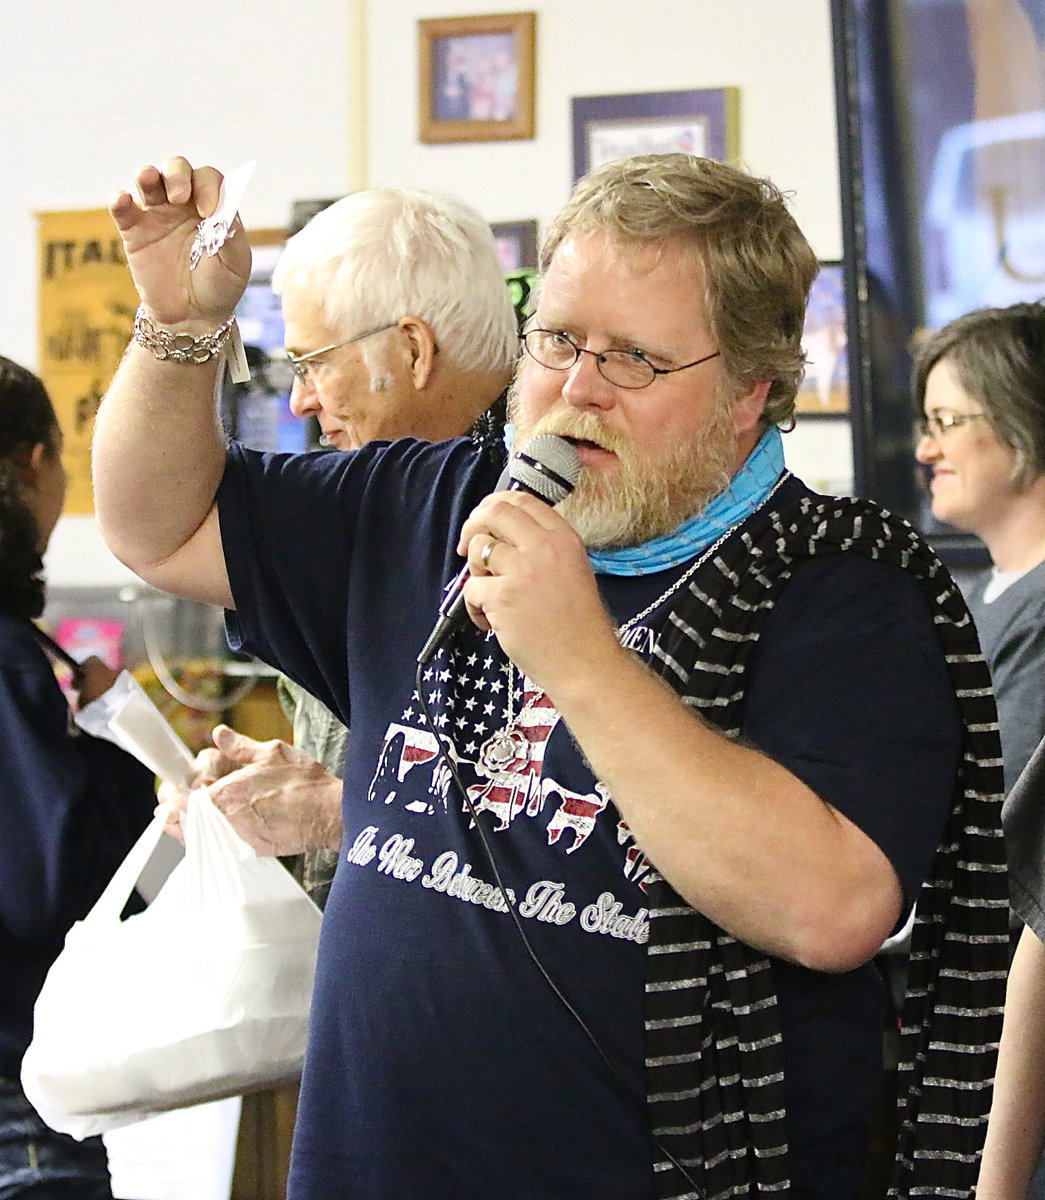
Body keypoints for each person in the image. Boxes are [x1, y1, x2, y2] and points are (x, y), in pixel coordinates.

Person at [93, 152, 1008, 1200]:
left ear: (751, 390)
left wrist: (579, 657)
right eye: (561, 340)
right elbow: (158, 527)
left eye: (633, 361)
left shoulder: (846, 587)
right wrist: (178, 326)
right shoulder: (428, 500)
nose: (576, 390)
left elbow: (829, 905)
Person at [167, 187, 517, 908]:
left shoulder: (531, 515)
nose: (298, 402)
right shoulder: (364, 507)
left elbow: (567, 809)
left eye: (312, 364)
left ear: (413, 350)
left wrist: (333, 807)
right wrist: (269, 792)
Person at [0, 357, 156, 1198]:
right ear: (34, 464)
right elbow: (50, 890)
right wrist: (114, 749)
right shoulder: (10, 665)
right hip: (15, 1106)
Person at [913, 301, 1045, 793]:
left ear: (1023, 418)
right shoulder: (987, 593)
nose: (926, 450)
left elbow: (990, 811)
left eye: (945, 422)